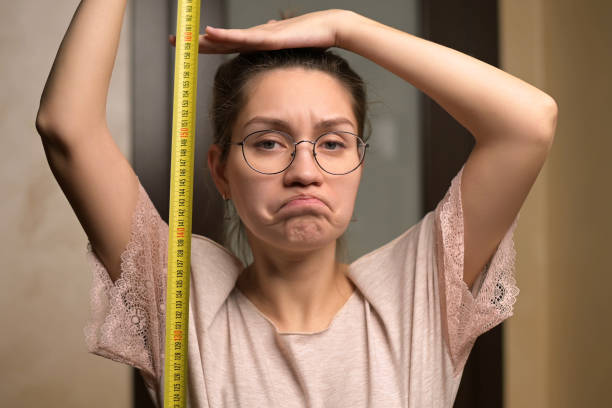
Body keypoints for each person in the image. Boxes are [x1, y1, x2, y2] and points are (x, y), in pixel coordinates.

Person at [35, 1, 557, 407]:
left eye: (333, 143)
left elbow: (528, 122)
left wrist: (345, 27)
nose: (304, 172)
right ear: (220, 171)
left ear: (359, 163)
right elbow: (67, 127)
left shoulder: (420, 292)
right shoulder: (177, 294)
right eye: (268, 142)